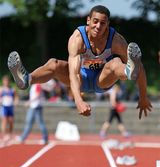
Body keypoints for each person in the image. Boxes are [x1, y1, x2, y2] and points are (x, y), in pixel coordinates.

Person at [7, 5, 152, 119]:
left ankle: (127, 71)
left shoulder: (116, 41)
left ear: (107, 24)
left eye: (103, 23)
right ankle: (27, 79)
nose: (98, 26)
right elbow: (74, 74)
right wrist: (78, 101)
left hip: (102, 80)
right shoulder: (78, 39)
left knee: (115, 63)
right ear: (88, 20)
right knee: (53, 63)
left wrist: (143, 96)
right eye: (95, 21)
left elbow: (140, 68)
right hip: (80, 78)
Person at [0, 75, 18, 143]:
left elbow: (16, 97)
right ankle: (4, 135)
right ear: (3, 82)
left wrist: (16, 102)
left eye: (7, 81)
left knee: (11, 121)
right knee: (4, 121)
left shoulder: (12, 89)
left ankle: (10, 134)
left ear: (9, 82)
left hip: (10, 107)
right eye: (5, 81)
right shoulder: (1, 89)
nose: (6, 82)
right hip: (4, 107)